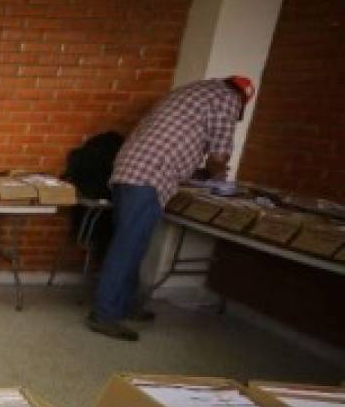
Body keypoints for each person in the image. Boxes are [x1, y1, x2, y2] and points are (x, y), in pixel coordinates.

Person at [89, 76, 254, 341]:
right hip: (149, 177)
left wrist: (194, 171)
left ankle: (125, 306)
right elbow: (219, 156)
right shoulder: (227, 99)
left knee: (132, 244)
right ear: (243, 100)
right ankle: (105, 315)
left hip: (130, 170)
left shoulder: (193, 91)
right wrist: (219, 179)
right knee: (128, 247)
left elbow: (177, 141)